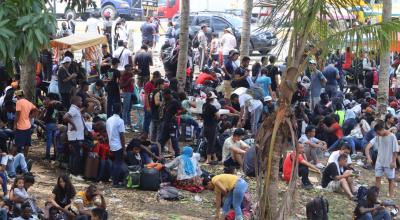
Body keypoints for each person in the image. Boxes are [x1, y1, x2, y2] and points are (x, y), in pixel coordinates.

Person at [365, 122, 399, 198]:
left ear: (382, 129)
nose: (378, 134)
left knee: (390, 179)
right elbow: (367, 147)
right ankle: (376, 195)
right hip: (379, 161)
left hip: (389, 161)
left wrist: (393, 161)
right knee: (378, 177)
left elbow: (395, 150)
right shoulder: (378, 137)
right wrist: (369, 158)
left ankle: (390, 195)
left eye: (378, 132)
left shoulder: (392, 137)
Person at [63, 96, 85, 176]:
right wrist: (73, 125)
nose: (82, 102)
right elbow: (65, 117)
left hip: (75, 136)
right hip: (76, 137)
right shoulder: (73, 109)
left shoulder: (75, 109)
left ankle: (72, 173)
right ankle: (75, 174)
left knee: (74, 155)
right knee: (76, 155)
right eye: (81, 101)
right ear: (76, 102)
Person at [106, 103, 126, 187]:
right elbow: (122, 136)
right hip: (118, 145)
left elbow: (107, 133)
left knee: (114, 163)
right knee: (118, 163)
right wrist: (124, 148)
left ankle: (113, 179)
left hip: (111, 143)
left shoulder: (109, 119)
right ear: (120, 110)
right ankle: (116, 182)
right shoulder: (120, 121)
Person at [13, 90, 37, 157]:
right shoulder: (28, 102)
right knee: (27, 144)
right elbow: (36, 110)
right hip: (28, 126)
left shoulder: (19, 102)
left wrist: (15, 125)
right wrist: (30, 117)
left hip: (20, 127)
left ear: (18, 96)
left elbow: (17, 115)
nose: (16, 98)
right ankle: (25, 159)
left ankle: (10, 160)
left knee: (16, 144)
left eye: (16, 97)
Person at [158, 89, 181, 157]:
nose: (163, 96)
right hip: (166, 124)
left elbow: (183, 110)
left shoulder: (175, 102)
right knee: (161, 141)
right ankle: (158, 155)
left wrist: (176, 115)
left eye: (164, 95)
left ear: (168, 94)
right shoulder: (166, 101)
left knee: (174, 141)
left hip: (172, 125)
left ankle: (177, 156)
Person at [42, 93, 63, 160]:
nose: (45, 100)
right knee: (54, 141)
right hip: (55, 124)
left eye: (46, 98)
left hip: (50, 124)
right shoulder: (57, 105)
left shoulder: (50, 104)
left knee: (49, 140)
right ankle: (55, 155)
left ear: (50, 99)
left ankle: (47, 155)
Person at [202, 92, 220, 164]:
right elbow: (218, 115)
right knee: (211, 142)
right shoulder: (212, 107)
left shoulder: (204, 105)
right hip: (212, 126)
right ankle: (209, 159)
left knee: (212, 141)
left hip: (205, 125)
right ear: (212, 99)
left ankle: (215, 157)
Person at [143, 71, 161, 137]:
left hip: (152, 106)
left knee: (151, 120)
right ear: (155, 77)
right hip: (148, 106)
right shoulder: (148, 84)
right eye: (158, 78)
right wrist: (148, 106)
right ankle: (145, 133)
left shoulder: (155, 85)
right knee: (147, 120)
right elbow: (146, 96)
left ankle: (148, 133)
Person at [149, 78, 165, 143]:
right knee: (158, 131)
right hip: (157, 114)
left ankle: (153, 143)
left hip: (153, 113)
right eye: (162, 84)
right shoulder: (157, 92)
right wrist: (163, 102)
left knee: (153, 130)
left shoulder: (153, 91)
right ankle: (157, 145)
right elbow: (156, 102)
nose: (164, 85)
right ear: (159, 85)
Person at [120, 65, 135, 129]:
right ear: (126, 69)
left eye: (130, 69)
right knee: (125, 109)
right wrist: (129, 81)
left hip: (131, 92)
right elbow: (121, 86)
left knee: (129, 109)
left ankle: (129, 123)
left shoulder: (130, 74)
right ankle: (124, 123)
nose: (130, 70)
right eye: (129, 69)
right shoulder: (123, 76)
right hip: (126, 92)